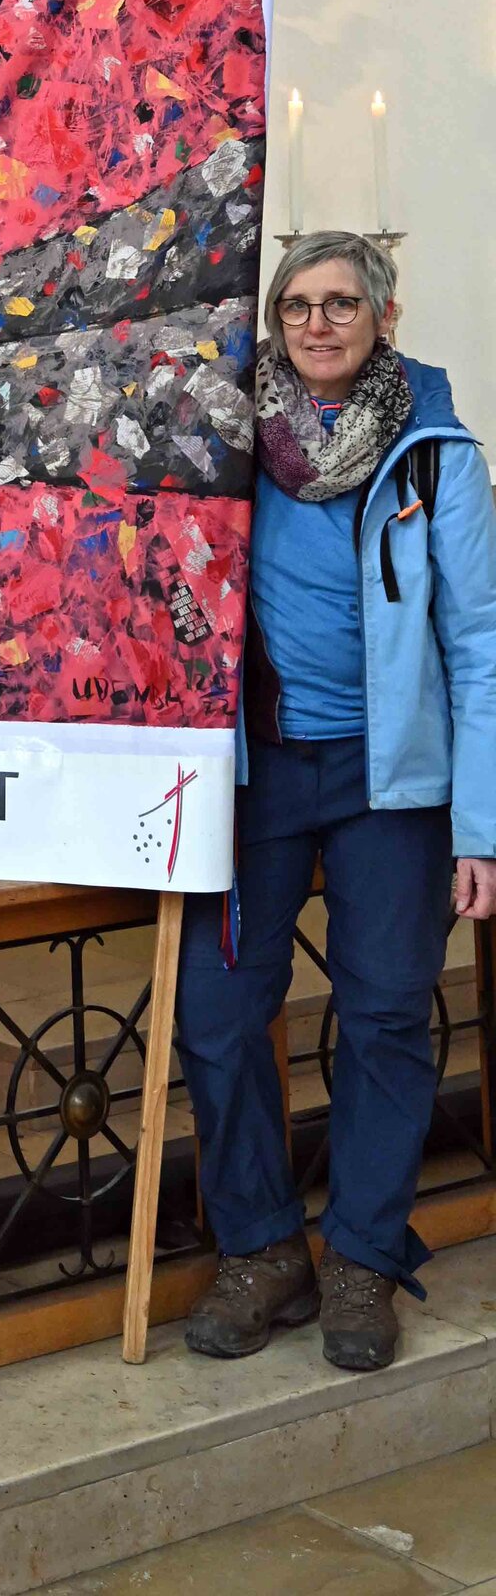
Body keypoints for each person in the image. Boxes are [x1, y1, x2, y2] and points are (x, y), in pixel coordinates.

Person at [175, 233, 496, 1372]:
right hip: (253, 772)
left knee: (385, 1016)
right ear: (273, 321)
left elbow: (479, 646)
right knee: (216, 1015)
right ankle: (262, 1249)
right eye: (298, 305)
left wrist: (480, 827)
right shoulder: (222, 444)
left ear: (383, 318)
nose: (318, 324)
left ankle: (362, 1256)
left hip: (389, 782)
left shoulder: (435, 454)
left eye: (342, 304)